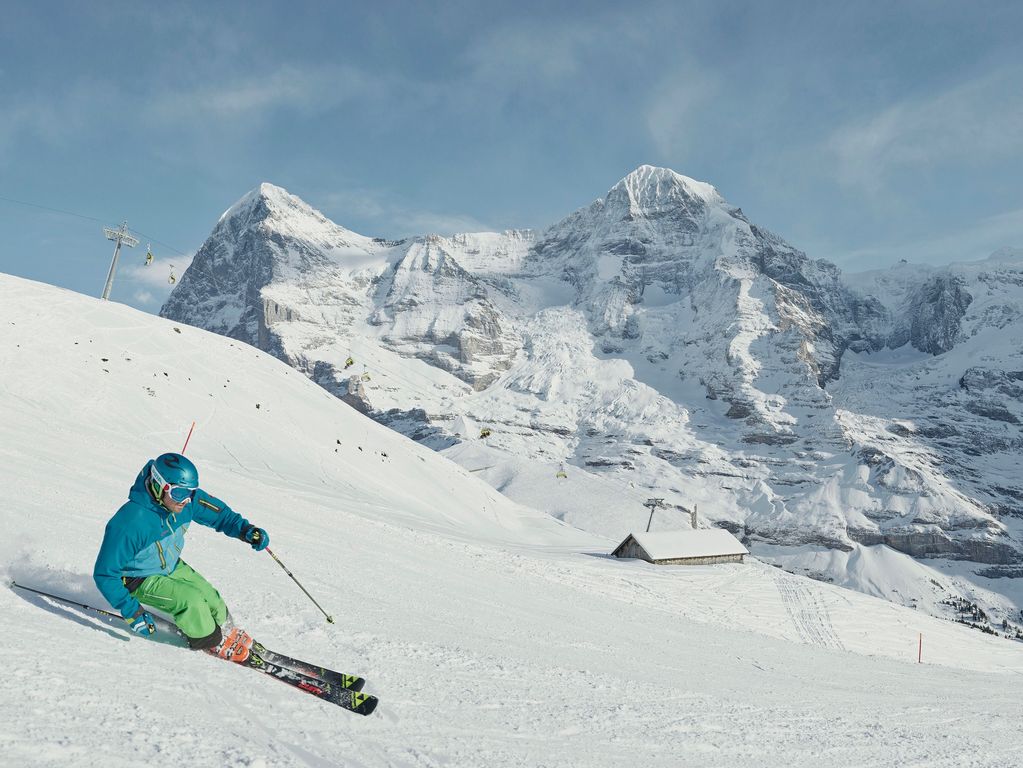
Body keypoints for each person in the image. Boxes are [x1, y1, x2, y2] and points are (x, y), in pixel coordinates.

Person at [93, 452, 270, 655]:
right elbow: (105, 573)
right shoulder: (131, 522)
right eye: (179, 494)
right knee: (191, 601)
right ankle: (210, 641)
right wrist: (132, 611)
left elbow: (220, 515)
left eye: (190, 493)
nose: (186, 500)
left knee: (211, 598)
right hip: (137, 577)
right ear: (160, 485)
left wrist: (245, 530)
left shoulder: (186, 501)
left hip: (170, 564)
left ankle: (227, 630)